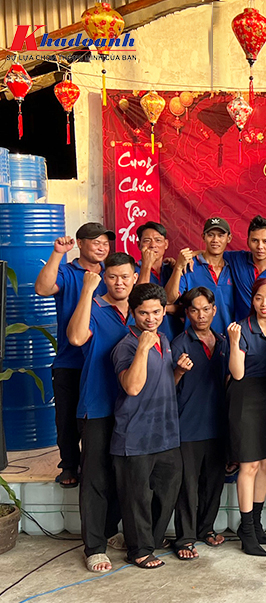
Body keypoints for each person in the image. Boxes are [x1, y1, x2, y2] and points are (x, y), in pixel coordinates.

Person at [66, 252, 137, 573]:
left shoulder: (140, 312)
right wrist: (86, 290)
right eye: (112, 277)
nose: (119, 283)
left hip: (131, 409)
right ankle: (94, 546)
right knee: (95, 477)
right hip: (96, 406)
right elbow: (76, 337)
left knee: (123, 474)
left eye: (125, 277)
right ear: (103, 277)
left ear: (135, 277)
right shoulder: (92, 307)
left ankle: (111, 530)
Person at [111, 283, 186, 569]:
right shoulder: (127, 346)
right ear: (133, 313)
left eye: (156, 312)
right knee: (137, 498)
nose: (151, 318)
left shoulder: (164, 340)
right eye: (143, 313)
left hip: (166, 433)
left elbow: (164, 383)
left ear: (164, 311)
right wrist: (142, 348)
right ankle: (139, 550)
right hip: (135, 436)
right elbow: (132, 387)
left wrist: (178, 372)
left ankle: (151, 540)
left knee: (167, 493)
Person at [35, 222, 113, 489]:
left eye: (105, 243)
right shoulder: (68, 272)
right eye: (96, 242)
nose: (102, 247)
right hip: (71, 360)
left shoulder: (112, 273)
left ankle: (101, 465)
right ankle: (69, 464)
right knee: (67, 417)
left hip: (104, 360)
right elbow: (43, 288)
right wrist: (58, 253)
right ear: (80, 243)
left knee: (101, 419)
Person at [226, 278, 266, 556]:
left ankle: (257, 524)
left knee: (264, 463)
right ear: (252, 300)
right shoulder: (242, 328)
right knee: (248, 465)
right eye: (259, 298)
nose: (264, 303)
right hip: (244, 396)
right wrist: (233, 341)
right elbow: (237, 373)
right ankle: (246, 529)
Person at [171, 287, 229, 559]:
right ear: (187, 313)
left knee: (213, 483)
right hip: (188, 426)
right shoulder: (179, 344)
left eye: (206, 309)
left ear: (214, 310)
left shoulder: (224, 342)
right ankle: (185, 539)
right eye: (194, 310)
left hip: (218, 425)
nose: (201, 315)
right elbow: (166, 386)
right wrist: (179, 371)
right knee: (187, 486)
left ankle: (206, 528)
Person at [166, 217, 236, 335]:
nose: (215, 240)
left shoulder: (234, 266)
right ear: (203, 237)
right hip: (194, 339)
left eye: (220, 235)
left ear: (229, 238)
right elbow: (169, 299)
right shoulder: (189, 265)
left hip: (228, 339)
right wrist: (178, 267)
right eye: (210, 235)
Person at [135, 221, 181, 341]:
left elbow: (184, 309)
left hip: (175, 336)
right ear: (139, 244)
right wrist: (146, 265)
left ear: (166, 244)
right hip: (144, 338)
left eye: (158, 240)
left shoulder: (172, 270)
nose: (153, 245)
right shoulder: (132, 270)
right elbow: (138, 302)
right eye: (147, 240)